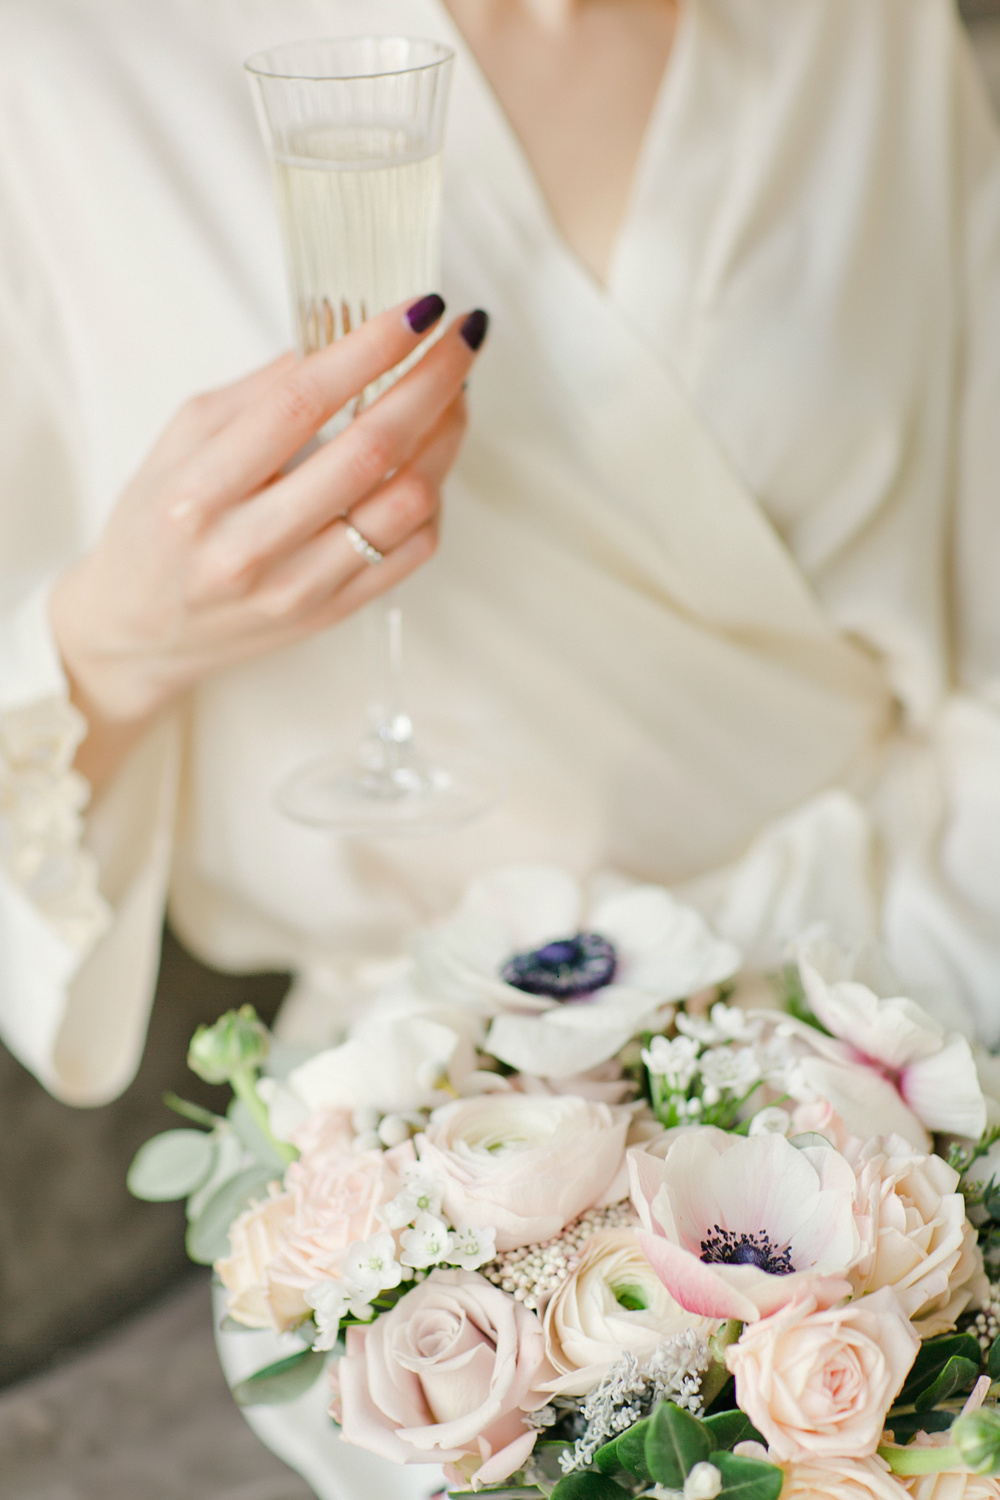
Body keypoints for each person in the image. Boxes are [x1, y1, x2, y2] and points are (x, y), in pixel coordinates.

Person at [1, 0, 999, 1480]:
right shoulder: (64, 63)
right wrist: (120, 632)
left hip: (908, 975)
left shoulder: (863, 33)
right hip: (437, 1122)